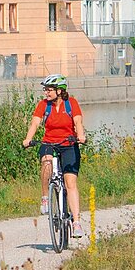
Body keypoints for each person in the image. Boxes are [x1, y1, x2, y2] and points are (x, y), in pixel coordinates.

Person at [21, 73, 83, 228]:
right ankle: (45, 198)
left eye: (49, 90)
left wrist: (81, 135)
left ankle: (76, 222)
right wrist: (28, 139)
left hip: (68, 144)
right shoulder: (43, 105)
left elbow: (78, 121)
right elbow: (35, 123)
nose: (46, 93)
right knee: (46, 163)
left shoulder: (71, 103)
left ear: (59, 91)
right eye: (45, 90)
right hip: (49, 142)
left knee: (70, 183)